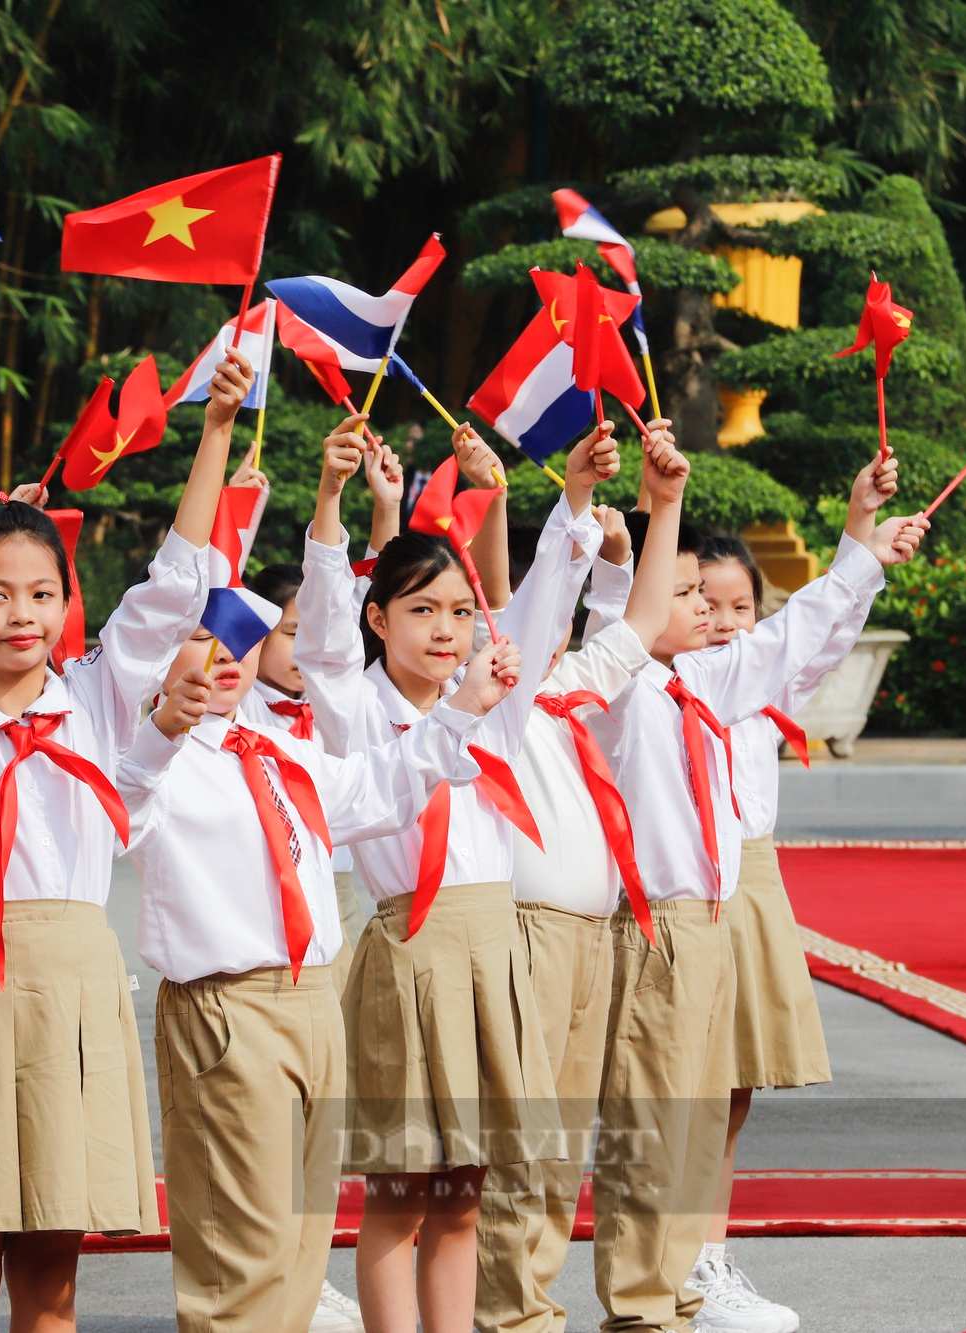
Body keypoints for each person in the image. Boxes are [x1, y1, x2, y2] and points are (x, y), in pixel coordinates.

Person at [117, 415, 521, 1333]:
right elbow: (125, 804)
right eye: (197, 643)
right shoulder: (152, 757)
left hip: (312, 1001)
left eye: (238, 641)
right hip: (226, 1008)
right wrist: (162, 726)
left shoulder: (278, 751)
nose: (220, 661)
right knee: (241, 1253)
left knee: (300, 1253)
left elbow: (384, 783)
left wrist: (465, 707)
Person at [0, 349, 248, 1333]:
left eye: (41, 593)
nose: (20, 614)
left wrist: (212, 433)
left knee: (51, 1261)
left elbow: (175, 587)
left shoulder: (93, 691)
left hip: (81, 978)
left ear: (64, 600)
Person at [585, 455, 928, 1333]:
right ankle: (638, 1306)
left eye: (714, 596)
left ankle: (680, 1283)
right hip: (655, 922)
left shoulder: (702, 680)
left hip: (709, 918)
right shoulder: (616, 686)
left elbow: (792, 637)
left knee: (698, 1110)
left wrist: (863, 548)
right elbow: (625, 609)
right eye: (689, 593)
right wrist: (663, 509)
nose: (708, 611)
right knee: (653, 1118)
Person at [295, 415, 616, 1333]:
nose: (447, 631)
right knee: (402, 1191)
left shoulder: (492, 702)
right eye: (422, 611)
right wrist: (332, 502)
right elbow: (319, 634)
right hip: (412, 952)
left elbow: (545, 609)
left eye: (459, 612)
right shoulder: (353, 708)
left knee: (468, 1189)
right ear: (379, 618)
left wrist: (577, 501)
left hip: (490, 956)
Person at [671, 457, 899, 1333]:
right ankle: (676, 1261)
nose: (725, 622)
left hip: (753, 880)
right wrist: (859, 543)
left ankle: (710, 1253)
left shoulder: (763, 687)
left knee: (733, 1087)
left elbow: (823, 634)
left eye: (741, 608)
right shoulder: (673, 682)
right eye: (707, 603)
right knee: (681, 1085)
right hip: (686, 888)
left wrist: (861, 540)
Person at [472, 425, 691, 1333]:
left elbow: (640, 623)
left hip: (592, 933)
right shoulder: (492, 695)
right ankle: (506, 1312)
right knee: (519, 1139)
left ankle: (537, 1301)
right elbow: (516, 600)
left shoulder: (575, 680)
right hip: (525, 926)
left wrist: (663, 502)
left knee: (560, 1144)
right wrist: (564, 499)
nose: (553, 618)